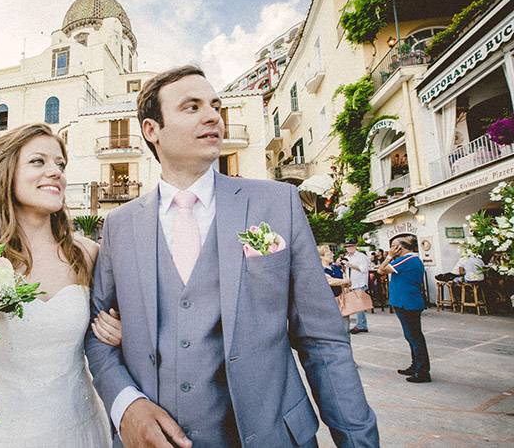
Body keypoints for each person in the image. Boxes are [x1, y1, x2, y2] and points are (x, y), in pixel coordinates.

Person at [86, 66, 377, 447]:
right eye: (191, 107)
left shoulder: (277, 204)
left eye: (215, 106)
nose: (212, 116)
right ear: (151, 130)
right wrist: (126, 405)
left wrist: (358, 442)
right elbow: (97, 337)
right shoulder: (119, 225)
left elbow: (323, 340)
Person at [0, 123, 122, 447]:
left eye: (60, 164)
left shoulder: (86, 254)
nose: (55, 172)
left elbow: (110, 337)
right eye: (38, 162)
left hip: (78, 428)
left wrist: (118, 333)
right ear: (8, 173)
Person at [378, 235, 431, 383]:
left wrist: (389, 257)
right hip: (406, 302)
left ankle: (422, 371)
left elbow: (381, 270)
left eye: (393, 246)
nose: (391, 249)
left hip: (407, 303)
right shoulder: (410, 260)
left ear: (399, 248)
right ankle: (416, 366)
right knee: (412, 336)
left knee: (414, 337)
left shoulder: (407, 259)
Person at [319, 245, 351, 335]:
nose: (332, 255)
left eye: (332, 253)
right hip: (328, 301)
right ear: (321, 256)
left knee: (345, 328)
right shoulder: (319, 270)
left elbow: (346, 282)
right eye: (329, 254)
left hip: (341, 299)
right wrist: (344, 281)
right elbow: (329, 281)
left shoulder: (336, 268)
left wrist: (345, 282)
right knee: (331, 329)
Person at [344, 239, 372, 334]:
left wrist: (351, 265)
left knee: (359, 306)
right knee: (357, 306)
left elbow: (363, 269)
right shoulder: (346, 257)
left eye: (351, 246)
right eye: (347, 246)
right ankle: (362, 325)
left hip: (360, 283)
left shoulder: (361, 256)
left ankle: (361, 325)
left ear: (355, 246)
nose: (349, 248)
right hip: (351, 284)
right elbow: (346, 270)